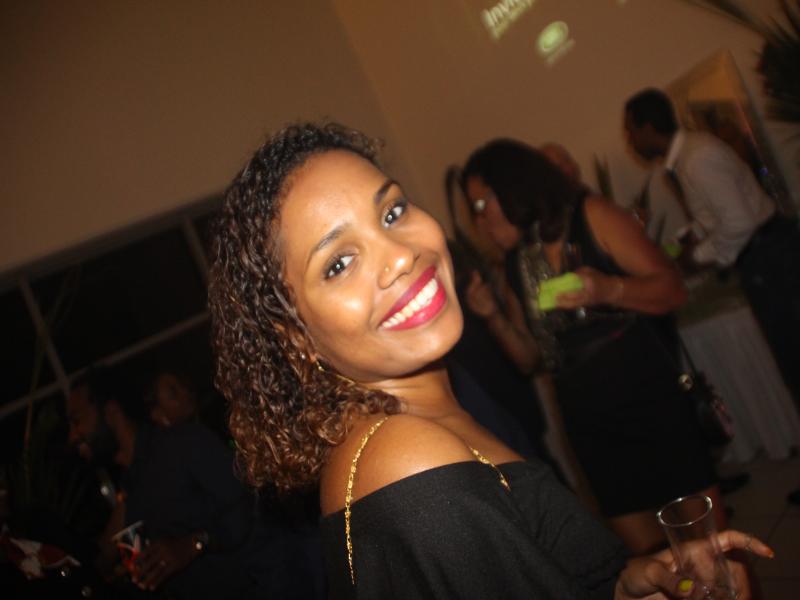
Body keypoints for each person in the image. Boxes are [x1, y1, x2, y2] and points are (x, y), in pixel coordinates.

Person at [207, 121, 770, 598]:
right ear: (296, 338)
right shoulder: (407, 462)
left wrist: (627, 585)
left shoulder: (419, 421)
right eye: (338, 263)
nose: (400, 256)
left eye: (392, 211)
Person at [460, 138, 722, 554]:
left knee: (710, 545)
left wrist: (608, 289)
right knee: (653, 558)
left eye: (480, 203)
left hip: (649, 399)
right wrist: (492, 317)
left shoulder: (591, 215)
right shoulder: (515, 261)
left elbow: (672, 289)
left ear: (511, 187)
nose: (479, 219)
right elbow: (528, 358)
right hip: (588, 420)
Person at [66, 366, 309, 599]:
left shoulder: (181, 444)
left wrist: (194, 543)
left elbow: (249, 505)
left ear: (111, 413)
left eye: (77, 421)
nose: (72, 436)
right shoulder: (132, 486)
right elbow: (101, 558)